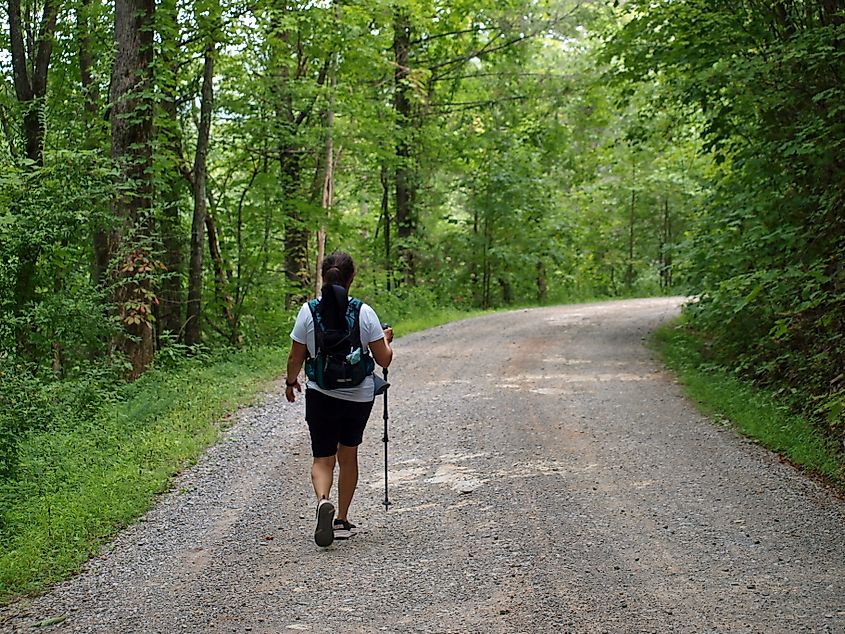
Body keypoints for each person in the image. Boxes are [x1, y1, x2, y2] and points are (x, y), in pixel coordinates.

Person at [285, 251, 394, 547]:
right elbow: (384, 357)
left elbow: (296, 356)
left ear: (322, 276)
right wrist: (385, 337)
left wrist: (291, 381)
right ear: (351, 278)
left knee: (322, 457)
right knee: (348, 455)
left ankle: (323, 500)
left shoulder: (308, 312)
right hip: (358, 396)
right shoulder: (364, 312)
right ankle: (342, 519)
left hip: (321, 393)